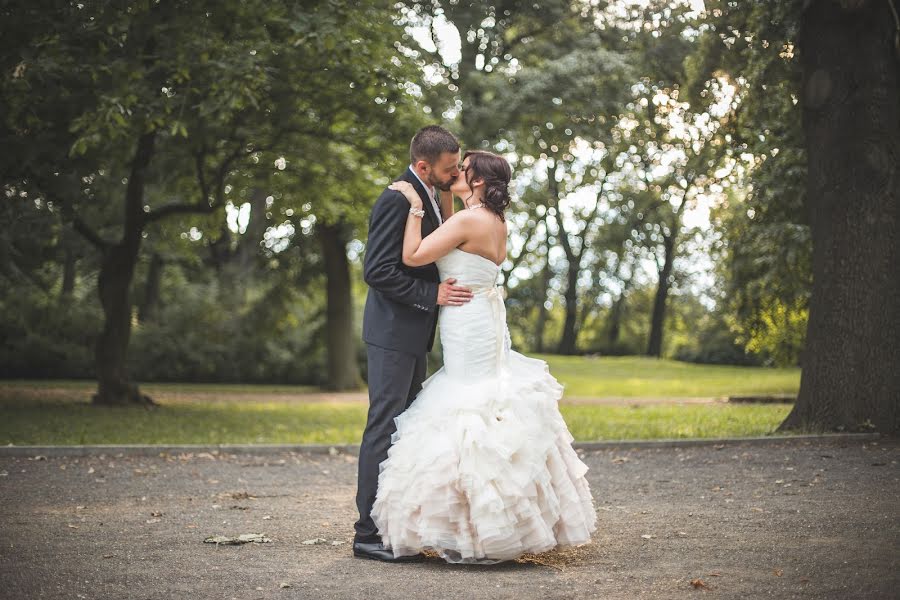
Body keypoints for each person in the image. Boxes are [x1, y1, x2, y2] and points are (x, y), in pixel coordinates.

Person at [369, 150, 597, 564]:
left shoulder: (466, 220)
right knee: (486, 400)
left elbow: (413, 256)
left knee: (465, 404)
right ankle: (488, 522)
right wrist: (448, 202)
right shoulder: (493, 220)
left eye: (464, 166)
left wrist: (417, 208)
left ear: (475, 180)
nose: (457, 170)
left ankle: (469, 524)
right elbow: (457, 233)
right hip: (483, 319)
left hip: (464, 317)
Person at [353, 125, 476, 562]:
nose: (454, 173)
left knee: (405, 430)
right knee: (384, 427)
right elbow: (378, 270)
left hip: (414, 334)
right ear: (424, 166)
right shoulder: (396, 199)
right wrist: (433, 296)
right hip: (391, 334)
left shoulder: (429, 197)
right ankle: (366, 533)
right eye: (447, 168)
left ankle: (393, 525)